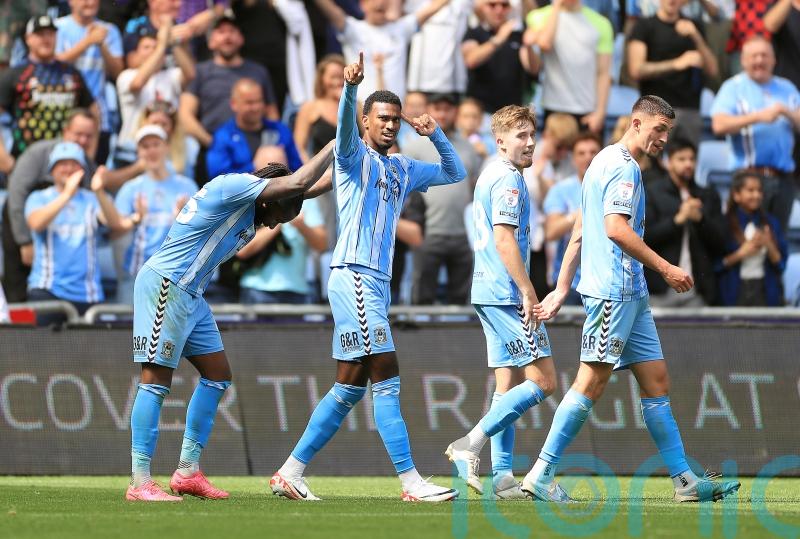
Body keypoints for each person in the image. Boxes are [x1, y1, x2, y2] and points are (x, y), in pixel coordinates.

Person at [270, 52, 466, 502]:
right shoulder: (351, 156)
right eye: (383, 118)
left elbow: (455, 172)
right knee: (388, 373)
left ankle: (290, 471)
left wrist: (436, 136)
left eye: (396, 119)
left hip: (376, 281)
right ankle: (410, 482)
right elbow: (342, 131)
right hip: (355, 275)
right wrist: (350, 89)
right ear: (366, 121)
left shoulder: (402, 168)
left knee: (349, 383)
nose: (391, 125)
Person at [526, 95, 740, 503]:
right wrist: (667, 268)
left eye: (668, 132)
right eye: (658, 129)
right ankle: (541, 472)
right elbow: (614, 229)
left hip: (631, 293)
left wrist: (562, 286)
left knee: (656, 380)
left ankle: (685, 481)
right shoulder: (624, 166)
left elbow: (580, 228)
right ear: (636, 123)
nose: (662, 138)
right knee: (591, 382)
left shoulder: (602, 161)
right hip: (613, 291)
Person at [125, 139, 335, 502]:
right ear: (269, 199)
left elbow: (306, 189)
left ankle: (187, 472)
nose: (272, 227)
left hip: (192, 294)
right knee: (155, 381)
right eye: (276, 218)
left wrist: (358, 161)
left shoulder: (255, 205)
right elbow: (299, 183)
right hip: (167, 284)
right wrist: (338, 142)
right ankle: (140, 481)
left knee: (218, 375)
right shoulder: (234, 186)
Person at [445, 105, 557, 500]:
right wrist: (529, 291)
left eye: (531, 135)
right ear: (500, 141)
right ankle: (469, 444)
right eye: (520, 136)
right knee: (544, 381)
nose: (529, 143)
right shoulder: (509, 179)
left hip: (487, 290)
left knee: (507, 383)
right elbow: (504, 239)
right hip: (505, 294)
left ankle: (504, 476)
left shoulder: (491, 173)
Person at [25, 142, 127, 323]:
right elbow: (36, 223)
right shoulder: (38, 197)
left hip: (88, 293)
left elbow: (115, 224)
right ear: (52, 169)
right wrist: (66, 194)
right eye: (62, 163)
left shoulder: (92, 199)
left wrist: (99, 192)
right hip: (48, 290)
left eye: (74, 163)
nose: (68, 168)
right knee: (45, 350)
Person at [710, 36, 800, 233]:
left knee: (778, 245)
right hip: (749, 177)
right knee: (746, 240)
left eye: (764, 55)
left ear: (774, 60)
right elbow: (719, 125)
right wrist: (758, 117)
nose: (759, 60)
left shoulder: (787, 88)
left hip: (783, 178)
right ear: (743, 60)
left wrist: (787, 112)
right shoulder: (732, 87)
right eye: (754, 56)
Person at [179, 11, 279, 187]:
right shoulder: (200, 72)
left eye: (232, 31)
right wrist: (214, 143)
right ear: (210, 42)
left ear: (241, 38)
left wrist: (268, 145)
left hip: (255, 148)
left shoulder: (258, 71)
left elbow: (271, 113)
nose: (227, 36)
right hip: (210, 148)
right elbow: (185, 115)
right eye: (221, 31)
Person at [403, 93, 482, 305]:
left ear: (456, 112)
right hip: (428, 233)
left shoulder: (468, 146)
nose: (443, 113)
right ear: (428, 110)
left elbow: (474, 186)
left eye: (448, 108)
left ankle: (455, 340)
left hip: (463, 235)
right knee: (422, 298)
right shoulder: (413, 146)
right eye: (438, 108)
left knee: (460, 300)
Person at [114, 125, 197, 303]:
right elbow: (115, 231)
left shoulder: (187, 187)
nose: (151, 151)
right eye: (145, 146)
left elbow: (201, 233)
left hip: (176, 279)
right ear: (138, 152)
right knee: (129, 330)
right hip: (137, 276)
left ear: (166, 147)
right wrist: (135, 219)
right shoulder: (130, 188)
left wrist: (182, 220)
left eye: (156, 144)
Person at [312, 0, 453, 100]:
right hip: (361, 114)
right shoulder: (353, 29)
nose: (379, 3)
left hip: (395, 113)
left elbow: (433, 7)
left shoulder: (401, 28)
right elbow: (331, 10)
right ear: (362, 4)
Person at [643, 138, 726, 306]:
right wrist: (677, 221)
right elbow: (645, 237)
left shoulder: (708, 195)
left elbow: (721, 243)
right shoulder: (652, 192)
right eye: (681, 159)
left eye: (692, 159)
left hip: (697, 291)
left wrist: (700, 219)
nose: (688, 164)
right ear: (668, 162)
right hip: (659, 288)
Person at [0, 15, 97, 158]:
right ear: (28, 39)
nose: (46, 39)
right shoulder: (15, 74)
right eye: (40, 34)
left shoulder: (72, 73)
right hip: (24, 158)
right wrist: (3, 158)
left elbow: (93, 111)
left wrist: (90, 154)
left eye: (50, 34)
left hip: (67, 159)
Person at [628, 0, 719, 145]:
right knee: (652, 163)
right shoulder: (644, 25)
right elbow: (636, 70)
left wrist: (696, 36)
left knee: (687, 164)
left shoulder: (694, 26)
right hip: (654, 110)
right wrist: (676, 64)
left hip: (689, 109)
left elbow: (713, 70)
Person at [114, 21, 195, 169]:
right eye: (146, 47)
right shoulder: (126, 76)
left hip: (167, 148)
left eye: (155, 46)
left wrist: (173, 44)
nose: (153, 50)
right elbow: (138, 83)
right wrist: (162, 46)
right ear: (135, 54)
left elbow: (190, 74)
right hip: (132, 148)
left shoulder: (171, 75)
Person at [525, 0, 613, 133]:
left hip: (587, 109)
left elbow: (603, 72)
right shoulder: (538, 16)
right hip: (554, 106)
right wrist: (556, 6)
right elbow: (545, 44)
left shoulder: (601, 23)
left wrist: (600, 112)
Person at [55, 0, 124, 164]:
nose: (89, 2)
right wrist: (88, 41)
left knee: (93, 166)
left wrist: (102, 45)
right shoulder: (58, 27)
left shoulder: (109, 30)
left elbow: (117, 72)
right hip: (62, 110)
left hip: (98, 114)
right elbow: (55, 64)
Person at [543, 131, 602, 303]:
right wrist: (579, 214)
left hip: (602, 281)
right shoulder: (561, 189)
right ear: (573, 158)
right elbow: (551, 232)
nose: (588, 157)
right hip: (570, 283)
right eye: (581, 153)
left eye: (593, 152)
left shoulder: (611, 187)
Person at [206, 78, 303, 178]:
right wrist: (254, 167)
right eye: (249, 103)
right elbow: (217, 177)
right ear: (234, 104)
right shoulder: (223, 136)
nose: (256, 108)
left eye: (259, 101)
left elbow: (298, 168)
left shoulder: (280, 130)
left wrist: (283, 167)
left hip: (282, 190)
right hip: (243, 192)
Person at [718, 170, 787, 306]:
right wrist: (741, 253)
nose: (756, 195)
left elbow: (781, 265)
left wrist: (768, 244)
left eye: (759, 191)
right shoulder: (724, 224)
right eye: (750, 190)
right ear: (736, 195)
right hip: (734, 292)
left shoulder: (771, 223)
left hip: (765, 291)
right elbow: (715, 266)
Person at [462, 0, 538, 114]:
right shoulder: (475, 32)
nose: (499, 10)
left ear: (510, 8)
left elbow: (533, 69)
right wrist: (498, 40)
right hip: (481, 115)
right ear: (483, 8)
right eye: (492, 5)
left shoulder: (518, 35)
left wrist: (528, 46)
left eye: (504, 5)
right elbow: (470, 60)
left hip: (511, 114)